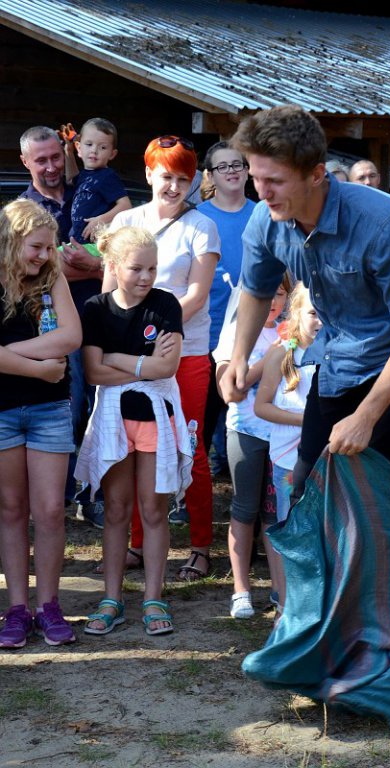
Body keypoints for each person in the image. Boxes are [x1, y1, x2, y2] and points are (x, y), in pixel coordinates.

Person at [218, 105, 390, 730]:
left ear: (318, 173)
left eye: (272, 181)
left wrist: (368, 418)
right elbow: (254, 291)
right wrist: (238, 358)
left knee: (361, 503)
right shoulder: (270, 221)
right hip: (340, 362)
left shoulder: (385, 222)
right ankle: (313, 651)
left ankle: (378, 676)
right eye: (252, 176)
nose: (257, 191)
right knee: (309, 503)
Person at [105, 135, 220, 580]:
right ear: (149, 172)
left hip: (184, 352)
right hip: (128, 357)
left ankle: (200, 544)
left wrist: (159, 334)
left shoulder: (201, 227)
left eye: (182, 178)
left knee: (187, 448)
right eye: (165, 175)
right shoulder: (128, 221)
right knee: (132, 446)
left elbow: (197, 292)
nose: (172, 186)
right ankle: (137, 542)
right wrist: (114, 335)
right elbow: (108, 288)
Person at [76, 226, 192, 635]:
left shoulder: (165, 305)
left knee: (154, 510)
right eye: (136, 268)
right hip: (113, 423)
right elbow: (92, 372)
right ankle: (112, 598)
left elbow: (167, 368)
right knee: (117, 511)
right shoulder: (95, 308)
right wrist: (141, 364)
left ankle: (153, 597)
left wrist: (118, 359)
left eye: (153, 268)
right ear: (112, 265)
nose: (146, 277)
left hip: (156, 422)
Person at [0, 199, 82, 649]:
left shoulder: (53, 277)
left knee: (50, 510)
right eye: (37, 247)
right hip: (4, 411)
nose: (45, 256)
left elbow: (71, 337)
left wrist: (12, 357)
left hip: (50, 409)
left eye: (49, 248)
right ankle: (16, 607)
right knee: (11, 510)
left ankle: (49, 605)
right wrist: (37, 365)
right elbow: (54, 351)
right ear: (12, 240)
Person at [18, 125, 105, 518]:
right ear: (25, 162)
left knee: (102, 410)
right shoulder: (23, 212)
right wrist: (97, 268)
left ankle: (97, 495)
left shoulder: (90, 191)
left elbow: (129, 259)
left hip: (104, 319)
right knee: (68, 413)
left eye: (56, 156)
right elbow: (32, 273)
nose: (52, 166)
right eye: (41, 160)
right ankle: (67, 496)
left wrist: (98, 266)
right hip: (53, 330)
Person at [214, 276, 292, 619]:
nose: (272, 300)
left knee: (275, 514)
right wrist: (274, 354)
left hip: (284, 436)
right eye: (264, 292)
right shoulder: (236, 334)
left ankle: (281, 591)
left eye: (278, 292)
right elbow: (234, 389)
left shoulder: (294, 330)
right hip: (245, 431)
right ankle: (241, 590)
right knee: (245, 508)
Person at [198, 140, 256, 482]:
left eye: (238, 164)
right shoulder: (198, 217)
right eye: (223, 166)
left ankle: (250, 498)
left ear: (248, 171)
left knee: (248, 422)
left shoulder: (264, 214)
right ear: (209, 175)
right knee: (202, 421)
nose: (232, 171)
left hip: (250, 336)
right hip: (207, 335)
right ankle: (189, 496)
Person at [254, 282, 322, 524]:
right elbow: (261, 406)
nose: (320, 322)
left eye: (325, 313)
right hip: (288, 460)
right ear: (296, 313)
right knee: (290, 524)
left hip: (326, 458)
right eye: (313, 313)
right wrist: (305, 420)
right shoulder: (281, 354)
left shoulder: (337, 355)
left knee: (323, 526)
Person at [65, 117, 131, 244]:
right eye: (89, 144)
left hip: (93, 244)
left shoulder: (107, 176)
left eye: (102, 147)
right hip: (77, 241)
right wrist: (69, 152)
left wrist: (100, 220)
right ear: (79, 148)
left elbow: (125, 206)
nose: (94, 150)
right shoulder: (84, 175)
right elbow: (70, 180)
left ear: (112, 154)